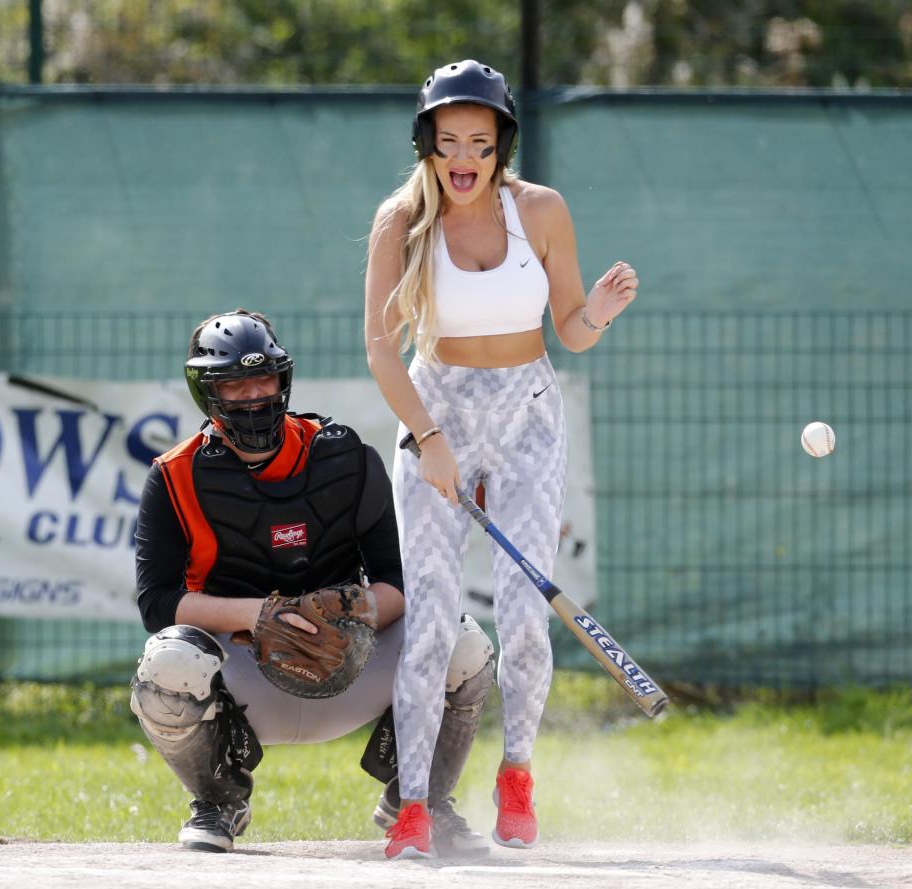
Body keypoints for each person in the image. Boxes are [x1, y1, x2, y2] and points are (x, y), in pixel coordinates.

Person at [364, 60, 640, 858]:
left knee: (523, 617)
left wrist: (598, 313)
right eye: (447, 140)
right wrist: (428, 438)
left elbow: (570, 330)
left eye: (479, 143)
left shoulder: (541, 212)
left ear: (500, 146)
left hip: (526, 414)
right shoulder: (399, 221)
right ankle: (412, 805)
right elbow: (381, 352)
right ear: (427, 142)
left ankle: (515, 772)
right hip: (435, 413)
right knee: (431, 623)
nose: (463, 158)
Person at [131, 309, 495, 858]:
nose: (253, 395)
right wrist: (259, 616)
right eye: (233, 382)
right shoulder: (173, 475)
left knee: (463, 643)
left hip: (352, 658)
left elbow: (399, 582)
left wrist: (354, 609)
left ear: (284, 379)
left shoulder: (346, 458)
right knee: (167, 663)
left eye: (264, 378)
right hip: (246, 674)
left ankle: (418, 796)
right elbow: (157, 603)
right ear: (206, 391)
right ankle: (219, 799)